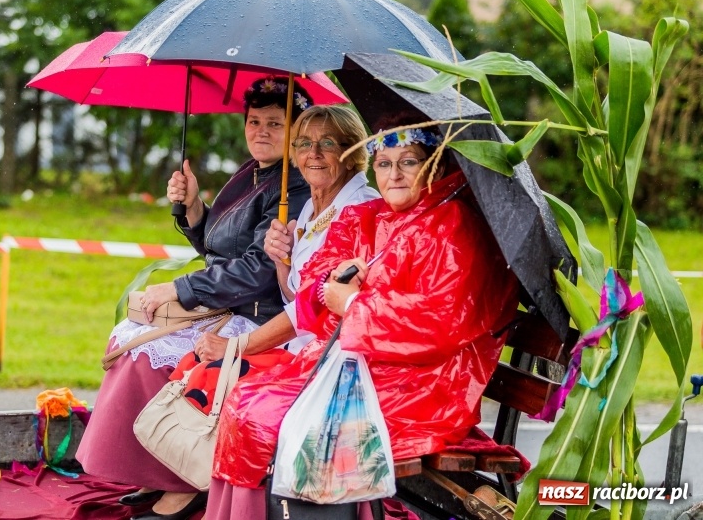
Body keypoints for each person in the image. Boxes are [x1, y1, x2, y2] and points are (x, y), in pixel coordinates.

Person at [204, 116, 522, 519]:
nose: (394, 174)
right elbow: (313, 285)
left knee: (272, 417)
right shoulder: (370, 216)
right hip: (363, 365)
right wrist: (330, 286)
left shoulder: (453, 227)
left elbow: (440, 322)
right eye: (385, 163)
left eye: (408, 161)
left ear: (435, 167)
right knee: (247, 400)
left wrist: (354, 305)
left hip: (424, 385)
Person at [76, 76, 313, 520]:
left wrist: (180, 289)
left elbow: (258, 272)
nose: (261, 131)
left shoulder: (292, 188)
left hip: (257, 320)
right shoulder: (251, 173)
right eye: (254, 121)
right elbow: (216, 248)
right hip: (224, 303)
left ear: (297, 130)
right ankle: (154, 469)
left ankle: (185, 483)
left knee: (152, 355)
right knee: (138, 337)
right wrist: (194, 209)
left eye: (275, 124)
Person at [139, 105, 379, 519]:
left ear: (352, 151)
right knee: (192, 365)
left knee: (231, 386)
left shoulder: (359, 209)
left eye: (327, 143)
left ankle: (215, 501)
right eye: (304, 143)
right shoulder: (311, 206)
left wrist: (236, 345)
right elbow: (295, 292)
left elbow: (313, 311)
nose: (313, 154)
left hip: (328, 358)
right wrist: (282, 261)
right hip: (301, 344)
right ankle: (190, 483)